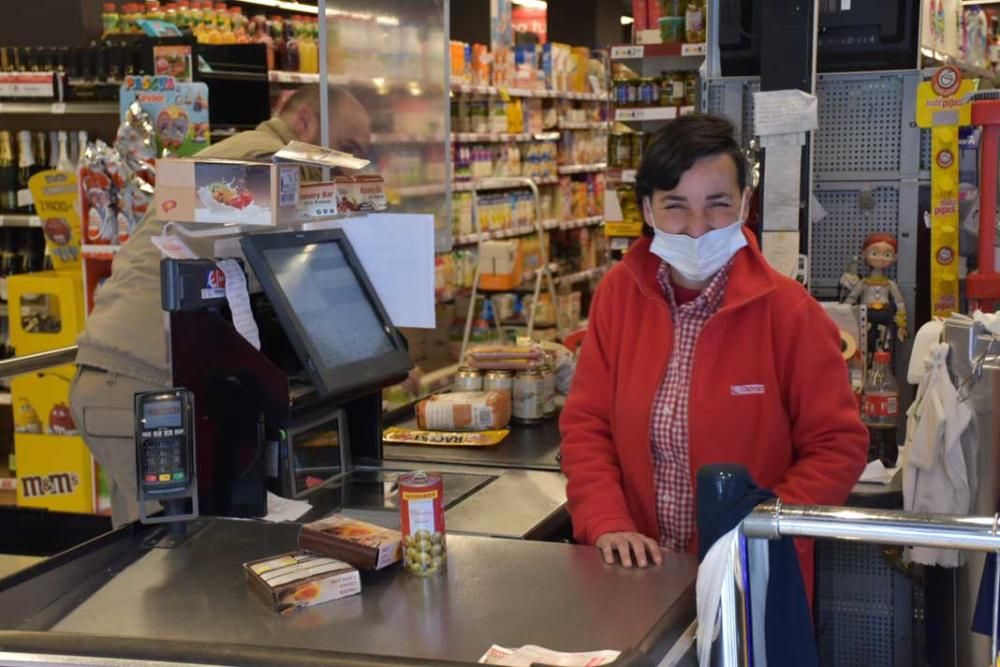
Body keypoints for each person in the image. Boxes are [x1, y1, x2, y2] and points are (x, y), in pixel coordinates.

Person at [559, 113, 868, 595]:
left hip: (754, 579)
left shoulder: (788, 311)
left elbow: (837, 445)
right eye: (676, 205)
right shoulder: (619, 295)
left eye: (718, 204)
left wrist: (758, 535)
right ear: (647, 208)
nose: (698, 228)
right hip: (637, 575)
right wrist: (606, 520)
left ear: (745, 203)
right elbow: (587, 425)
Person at [69, 85, 371, 526]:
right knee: (173, 557)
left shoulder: (261, 162)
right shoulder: (263, 163)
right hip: (141, 381)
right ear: (304, 121)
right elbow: (292, 282)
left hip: (140, 380)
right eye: (345, 148)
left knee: (158, 552)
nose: (345, 167)